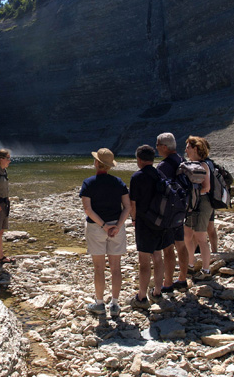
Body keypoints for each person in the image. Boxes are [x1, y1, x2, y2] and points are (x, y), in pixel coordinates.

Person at [80, 148, 130, 317]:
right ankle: (115, 305)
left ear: (96, 163)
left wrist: (103, 226)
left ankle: (100, 304)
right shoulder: (119, 183)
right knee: (116, 268)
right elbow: (127, 207)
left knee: (99, 268)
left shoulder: (88, 183)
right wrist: (116, 226)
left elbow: (88, 209)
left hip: (96, 228)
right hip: (117, 228)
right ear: (109, 166)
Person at [128, 145, 175, 310]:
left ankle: (141, 297)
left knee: (144, 262)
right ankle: (157, 291)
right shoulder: (159, 174)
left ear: (139, 160)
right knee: (158, 256)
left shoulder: (137, 177)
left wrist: (133, 219)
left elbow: (132, 203)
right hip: (161, 222)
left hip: (144, 223)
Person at [155, 133, 190, 293]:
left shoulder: (163, 167)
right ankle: (182, 279)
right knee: (181, 244)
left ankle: (168, 283)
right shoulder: (183, 161)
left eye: (157, 145)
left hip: (168, 212)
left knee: (168, 248)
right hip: (182, 209)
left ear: (164, 147)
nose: (156, 148)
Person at [183, 136, 213, 281]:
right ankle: (190, 263)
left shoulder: (204, 165)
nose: (186, 150)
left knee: (201, 238)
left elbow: (207, 187)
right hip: (191, 204)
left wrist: (191, 194)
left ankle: (206, 270)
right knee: (187, 235)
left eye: (188, 147)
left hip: (202, 203)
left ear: (195, 148)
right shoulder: (189, 164)